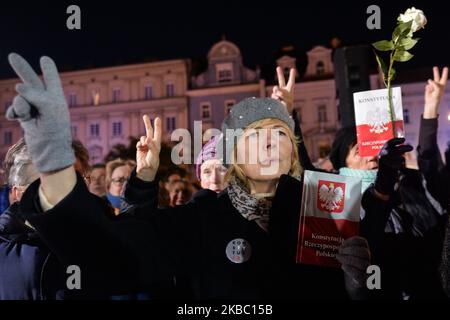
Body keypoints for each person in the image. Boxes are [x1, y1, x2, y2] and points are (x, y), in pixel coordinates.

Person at [6, 53, 370, 299]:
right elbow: (114, 254)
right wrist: (54, 167)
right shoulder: (201, 217)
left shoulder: (321, 216)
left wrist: (354, 286)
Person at [329, 67, 449, 300]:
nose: (371, 155)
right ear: (343, 163)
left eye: (374, 148)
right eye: (359, 151)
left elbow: (430, 168)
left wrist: (431, 108)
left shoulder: (408, 183)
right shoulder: (339, 203)